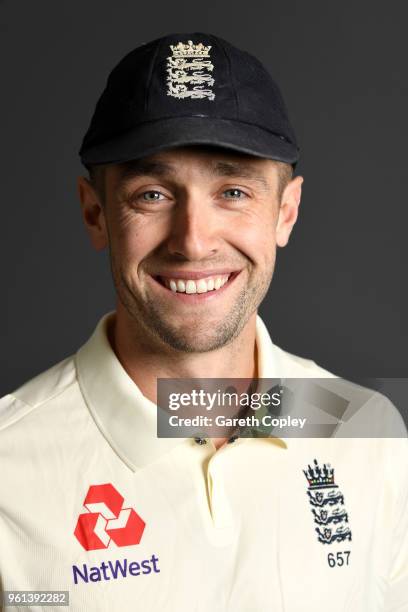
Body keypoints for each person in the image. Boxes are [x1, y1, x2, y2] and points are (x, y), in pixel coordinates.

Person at [0, 32, 407, 612]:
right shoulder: (8, 465)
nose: (193, 241)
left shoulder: (366, 432)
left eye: (234, 191)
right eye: (152, 195)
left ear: (284, 213)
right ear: (96, 214)